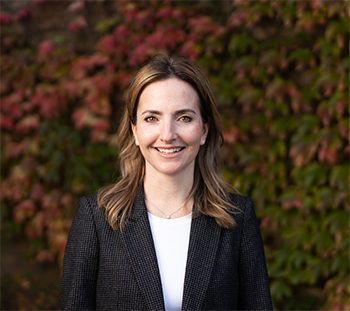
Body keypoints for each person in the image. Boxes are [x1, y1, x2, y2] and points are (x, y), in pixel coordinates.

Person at [61, 55, 273, 311]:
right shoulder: (96, 219)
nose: (168, 135)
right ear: (135, 131)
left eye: (184, 118)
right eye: (152, 118)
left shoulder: (237, 218)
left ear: (204, 130)